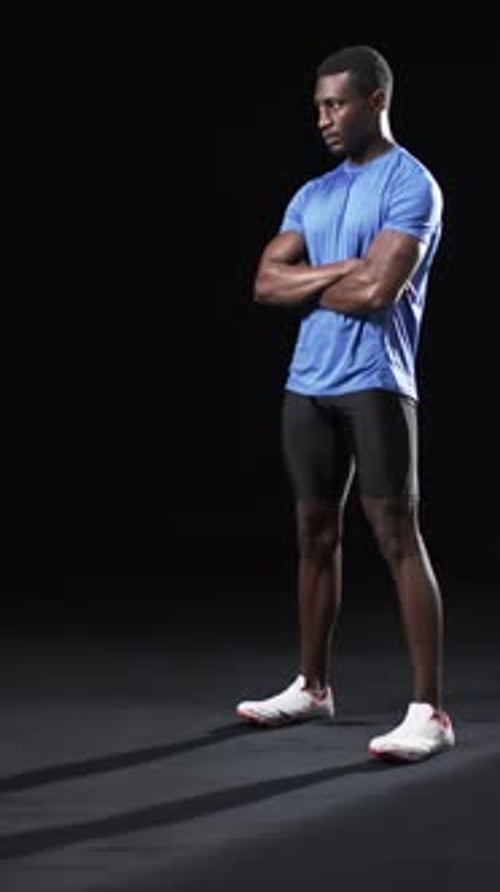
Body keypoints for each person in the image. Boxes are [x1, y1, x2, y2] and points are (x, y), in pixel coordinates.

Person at [235, 44, 455, 762]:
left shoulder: (411, 185)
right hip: (309, 383)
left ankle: (429, 711)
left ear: (376, 101)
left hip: (377, 381)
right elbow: (265, 283)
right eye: (319, 107)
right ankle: (313, 686)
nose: (324, 119)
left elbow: (378, 291)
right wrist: (341, 269)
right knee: (312, 533)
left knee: (396, 536)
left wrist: (315, 279)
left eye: (336, 105)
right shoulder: (314, 192)